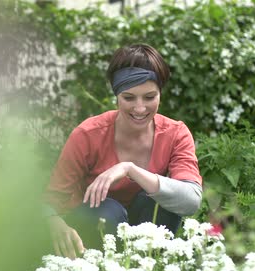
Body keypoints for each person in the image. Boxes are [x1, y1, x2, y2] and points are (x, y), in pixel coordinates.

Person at [43, 44, 202, 258]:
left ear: (160, 94)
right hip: (94, 238)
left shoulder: (175, 134)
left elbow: (191, 201)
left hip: (146, 245)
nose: (139, 108)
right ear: (117, 95)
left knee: (162, 199)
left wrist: (129, 169)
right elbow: (47, 202)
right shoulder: (88, 135)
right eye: (129, 98)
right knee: (107, 210)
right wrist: (53, 222)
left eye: (149, 97)